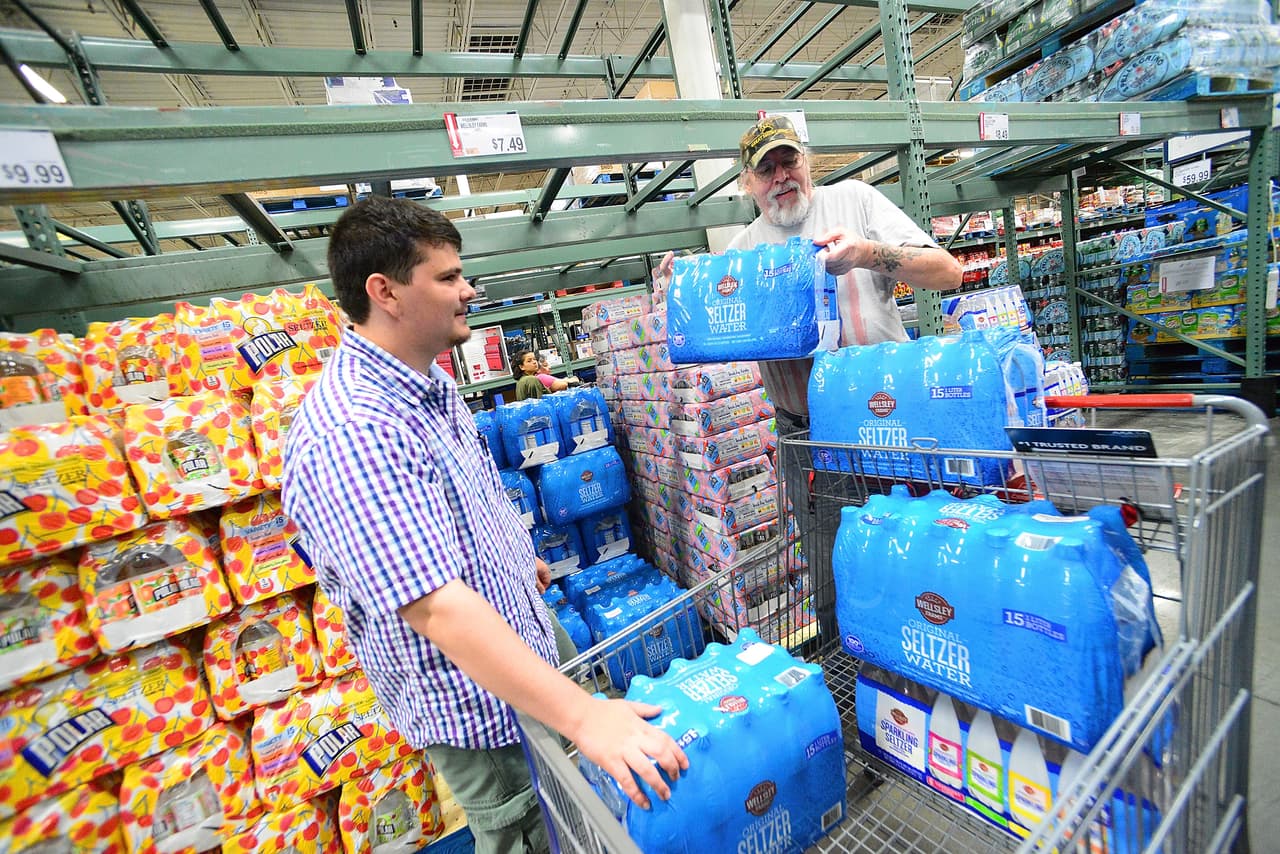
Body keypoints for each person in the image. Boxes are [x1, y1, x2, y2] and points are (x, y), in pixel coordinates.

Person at [281, 196, 686, 854]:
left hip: (524, 640)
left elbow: (464, 503)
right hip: (480, 712)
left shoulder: (429, 383)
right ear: (384, 292)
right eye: (446, 277)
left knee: (583, 824)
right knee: (535, 833)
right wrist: (583, 716)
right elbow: (435, 609)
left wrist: (510, 557)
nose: (467, 289)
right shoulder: (351, 431)